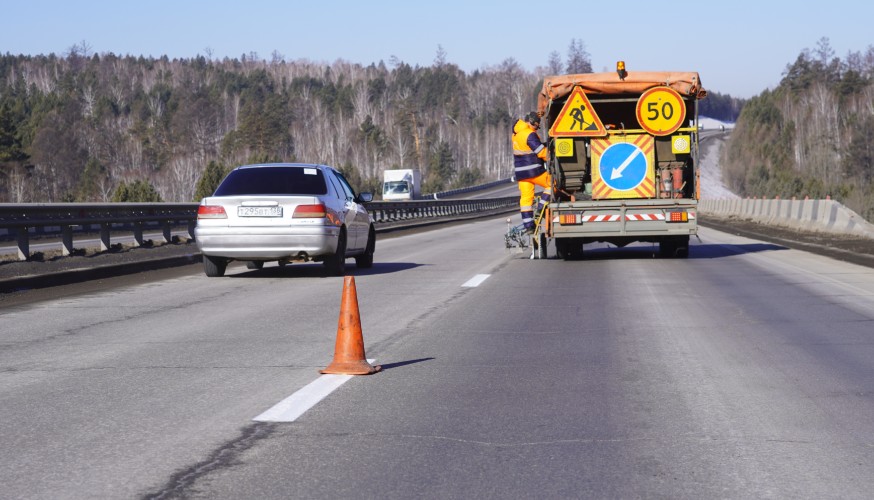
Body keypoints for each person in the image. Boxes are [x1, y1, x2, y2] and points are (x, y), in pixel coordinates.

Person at [512, 111, 553, 233]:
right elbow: (541, 152)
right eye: (536, 126)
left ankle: (529, 226)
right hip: (533, 170)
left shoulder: (516, 134)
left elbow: (526, 148)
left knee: (526, 199)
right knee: (552, 184)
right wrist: (551, 157)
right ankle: (541, 208)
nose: (536, 129)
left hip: (521, 173)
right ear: (532, 122)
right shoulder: (529, 134)